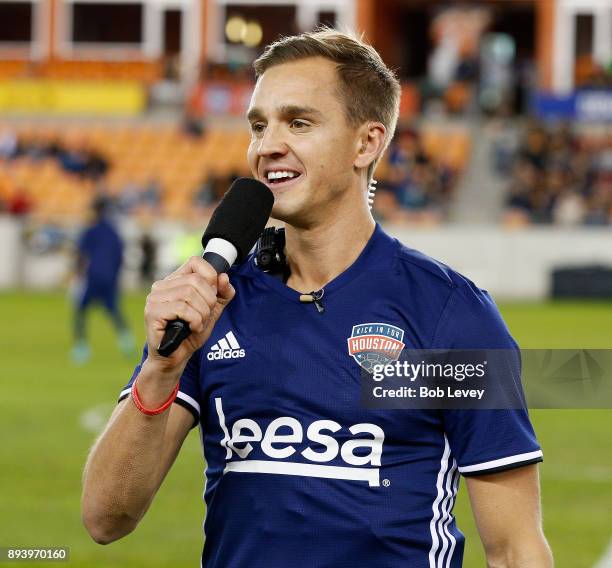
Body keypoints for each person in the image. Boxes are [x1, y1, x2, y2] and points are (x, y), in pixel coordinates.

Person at [82, 29, 552, 566]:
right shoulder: (213, 301)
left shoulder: (450, 313)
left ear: (366, 143)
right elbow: (105, 518)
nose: (267, 145)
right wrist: (160, 371)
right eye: (258, 126)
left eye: (299, 123)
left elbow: (515, 548)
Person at [71, 197, 134, 363]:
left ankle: (81, 347)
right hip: (109, 277)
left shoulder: (90, 231)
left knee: (80, 310)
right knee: (113, 310)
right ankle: (126, 342)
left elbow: (81, 255)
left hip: (93, 277)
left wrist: (78, 276)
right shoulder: (114, 232)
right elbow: (120, 257)